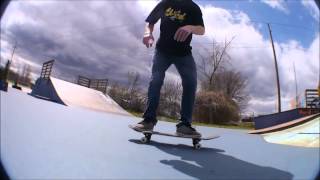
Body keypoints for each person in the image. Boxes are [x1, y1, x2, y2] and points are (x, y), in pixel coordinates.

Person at [132, 0, 205, 137]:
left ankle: (184, 125)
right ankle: (148, 120)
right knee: (156, 80)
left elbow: (201, 30)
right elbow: (151, 22)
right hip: (162, 51)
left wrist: (190, 27)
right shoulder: (165, 3)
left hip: (184, 54)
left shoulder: (193, 7)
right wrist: (147, 33)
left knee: (190, 83)